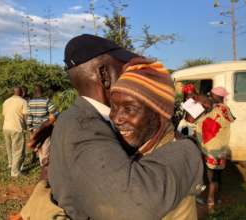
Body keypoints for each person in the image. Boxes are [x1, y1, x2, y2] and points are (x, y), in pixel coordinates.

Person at [13, 34, 204, 220]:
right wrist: (191, 148)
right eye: (125, 67)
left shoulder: (82, 118)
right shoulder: (84, 126)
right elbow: (132, 204)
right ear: (104, 74)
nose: (131, 73)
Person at [109, 60, 199, 220]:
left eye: (129, 109)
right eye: (114, 107)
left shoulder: (170, 164)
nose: (116, 118)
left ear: (159, 114)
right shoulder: (138, 148)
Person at [195, 86, 235, 212]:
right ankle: (216, 198)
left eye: (211, 95)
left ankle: (210, 201)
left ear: (214, 96)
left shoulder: (212, 109)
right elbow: (231, 119)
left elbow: (200, 123)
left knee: (212, 176)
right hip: (220, 148)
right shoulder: (224, 109)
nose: (210, 96)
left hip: (211, 149)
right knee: (217, 175)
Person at [27, 85, 56, 168]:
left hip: (34, 128)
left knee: (38, 146)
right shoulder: (46, 101)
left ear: (34, 91)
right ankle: (45, 166)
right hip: (45, 128)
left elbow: (29, 117)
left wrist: (31, 130)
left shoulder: (30, 102)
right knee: (45, 146)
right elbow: (54, 112)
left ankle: (41, 163)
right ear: (42, 91)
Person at [2, 86, 28, 177]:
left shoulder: (6, 101)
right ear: (21, 93)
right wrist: (26, 127)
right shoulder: (23, 101)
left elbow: (4, 114)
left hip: (6, 128)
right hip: (17, 128)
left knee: (9, 148)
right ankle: (15, 172)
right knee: (17, 150)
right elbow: (25, 116)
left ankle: (10, 164)